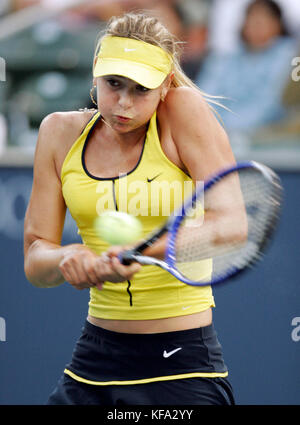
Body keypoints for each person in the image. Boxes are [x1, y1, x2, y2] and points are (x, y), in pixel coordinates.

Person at [24, 11, 237, 405]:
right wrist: (69, 256)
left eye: (141, 89)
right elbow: (36, 259)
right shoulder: (57, 132)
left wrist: (140, 250)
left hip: (183, 365)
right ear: (95, 74)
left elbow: (231, 227)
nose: (123, 102)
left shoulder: (183, 111)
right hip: (94, 361)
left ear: (166, 86)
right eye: (114, 83)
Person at [195, 0, 298, 137]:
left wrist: (227, 128)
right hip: (214, 133)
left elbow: (271, 103)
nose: (257, 25)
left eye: (263, 19)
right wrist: (211, 127)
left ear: (278, 23)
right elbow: (204, 97)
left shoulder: (290, 56)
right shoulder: (225, 58)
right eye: (252, 18)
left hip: (269, 138)